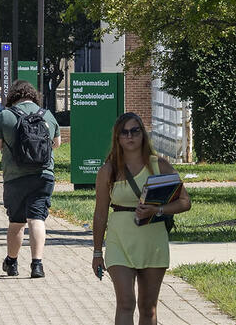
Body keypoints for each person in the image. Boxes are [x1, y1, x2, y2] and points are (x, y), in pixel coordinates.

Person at [92, 113, 193, 324]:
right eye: (124, 132)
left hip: (152, 240)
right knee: (125, 302)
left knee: (148, 308)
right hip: (119, 241)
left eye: (135, 131)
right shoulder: (108, 171)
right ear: (117, 137)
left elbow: (185, 202)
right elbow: (100, 213)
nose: (130, 136)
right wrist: (96, 252)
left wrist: (158, 210)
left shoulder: (160, 166)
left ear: (143, 135)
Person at [0, 80, 62, 278]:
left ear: (13, 96)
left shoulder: (6, 115)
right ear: (33, 96)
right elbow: (57, 143)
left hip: (15, 177)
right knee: (37, 218)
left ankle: (12, 262)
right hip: (44, 175)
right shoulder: (46, 114)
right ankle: (37, 265)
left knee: (17, 221)